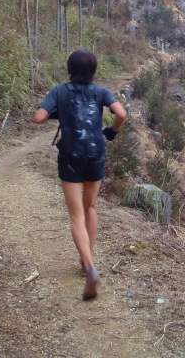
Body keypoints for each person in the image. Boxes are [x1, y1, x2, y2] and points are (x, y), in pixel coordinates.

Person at [33, 49, 127, 301]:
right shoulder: (101, 92)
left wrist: (58, 112)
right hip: (96, 154)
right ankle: (87, 264)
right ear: (93, 70)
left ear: (70, 68)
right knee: (90, 208)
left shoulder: (59, 91)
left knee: (76, 215)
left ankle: (90, 265)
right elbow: (121, 113)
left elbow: (38, 118)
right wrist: (112, 133)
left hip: (71, 157)